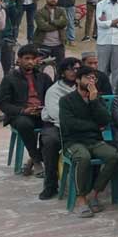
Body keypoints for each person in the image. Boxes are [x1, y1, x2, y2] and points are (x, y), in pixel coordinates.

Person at [58, 66, 118, 217]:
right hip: (73, 141)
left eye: (94, 78)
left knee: (114, 156)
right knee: (83, 157)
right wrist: (94, 126)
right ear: (78, 80)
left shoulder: (96, 99)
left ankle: (94, 194)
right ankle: (80, 199)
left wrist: (93, 101)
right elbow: (70, 124)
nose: (91, 81)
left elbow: (105, 120)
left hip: (94, 140)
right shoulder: (66, 100)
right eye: (87, 77)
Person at [0, 44, 53, 175]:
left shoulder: (44, 78)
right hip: (20, 115)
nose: (30, 62)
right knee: (24, 124)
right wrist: (23, 111)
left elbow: (52, 98)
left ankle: (35, 158)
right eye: (27, 58)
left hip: (42, 113)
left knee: (54, 128)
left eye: (33, 59)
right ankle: (37, 160)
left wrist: (44, 109)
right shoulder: (10, 78)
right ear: (19, 60)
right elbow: (3, 104)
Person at [40, 58, 80, 199]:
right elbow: (55, 114)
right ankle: (50, 185)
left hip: (79, 125)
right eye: (70, 69)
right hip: (55, 125)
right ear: (62, 72)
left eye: (77, 69)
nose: (74, 72)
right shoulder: (54, 90)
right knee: (51, 142)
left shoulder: (84, 87)